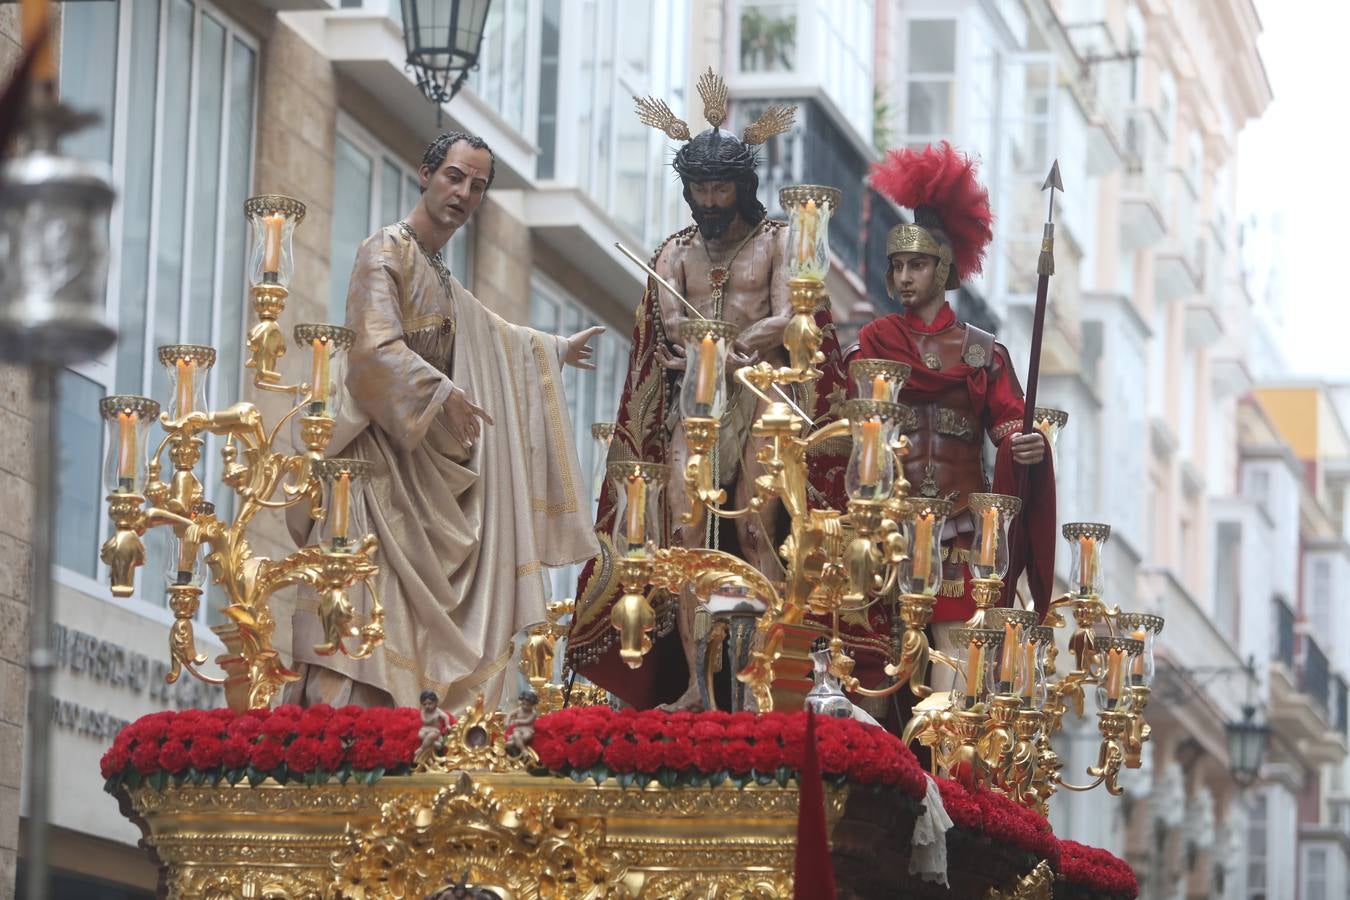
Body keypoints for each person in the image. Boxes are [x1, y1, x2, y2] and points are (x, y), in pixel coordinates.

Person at [285, 131, 602, 711]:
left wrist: (554, 350)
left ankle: (409, 737)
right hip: (375, 474)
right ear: (426, 172)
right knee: (362, 607)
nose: (463, 193)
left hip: (428, 472)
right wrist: (442, 392)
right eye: (455, 176)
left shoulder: (443, 279)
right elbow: (371, 348)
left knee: (406, 628)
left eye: (477, 186)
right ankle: (338, 743)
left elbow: (498, 338)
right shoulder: (384, 251)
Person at [566, 71, 851, 711]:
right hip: (694, 407)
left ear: (743, 187)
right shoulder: (673, 251)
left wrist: (735, 343)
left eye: (721, 186)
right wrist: (699, 346)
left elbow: (789, 316)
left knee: (753, 533)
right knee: (688, 545)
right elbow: (665, 324)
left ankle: (762, 687)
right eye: (699, 187)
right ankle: (697, 686)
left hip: (761, 402)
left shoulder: (778, 242)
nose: (710, 199)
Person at [849, 142, 1056, 681]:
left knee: (959, 677)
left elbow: (1012, 424)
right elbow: (836, 406)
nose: (904, 278)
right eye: (897, 267)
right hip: (884, 529)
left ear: (943, 269)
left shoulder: (983, 351)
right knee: (867, 672)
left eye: (917, 264)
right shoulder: (873, 340)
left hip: (961, 535)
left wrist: (1026, 445)